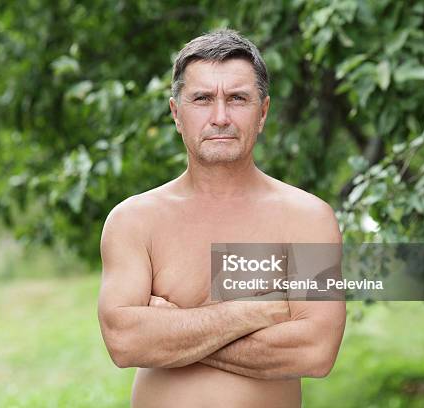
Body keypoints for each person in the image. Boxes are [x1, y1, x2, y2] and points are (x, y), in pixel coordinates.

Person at [97, 29, 346, 408]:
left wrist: (175, 328)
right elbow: (124, 341)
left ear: (262, 113)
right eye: (202, 99)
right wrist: (256, 311)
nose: (220, 117)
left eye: (237, 98)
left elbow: (315, 351)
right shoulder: (134, 220)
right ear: (176, 113)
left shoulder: (307, 218)